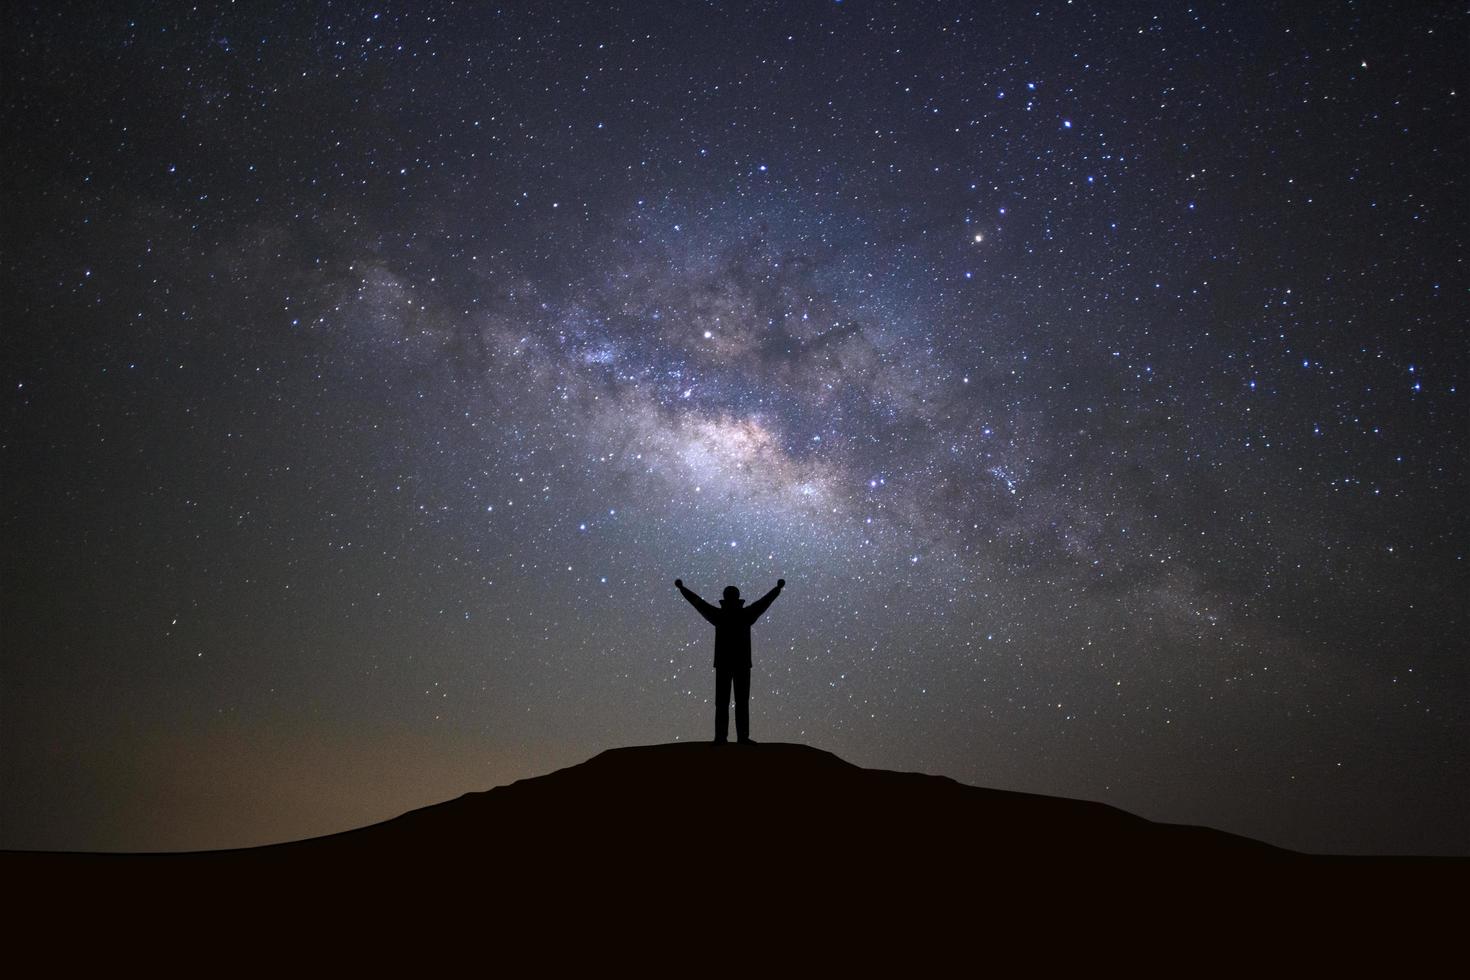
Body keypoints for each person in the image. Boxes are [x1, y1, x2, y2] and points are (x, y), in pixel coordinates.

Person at [675, 577, 784, 744]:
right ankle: (741, 737)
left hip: (724, 664)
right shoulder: (745, 615)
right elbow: (764, 602)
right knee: (740, 703)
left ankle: (722, 737)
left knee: (723, 703)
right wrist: (776, 590)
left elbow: (698, 603)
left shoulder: (720, 616)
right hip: (740, 664)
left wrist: (683, 589)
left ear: (725, 599)